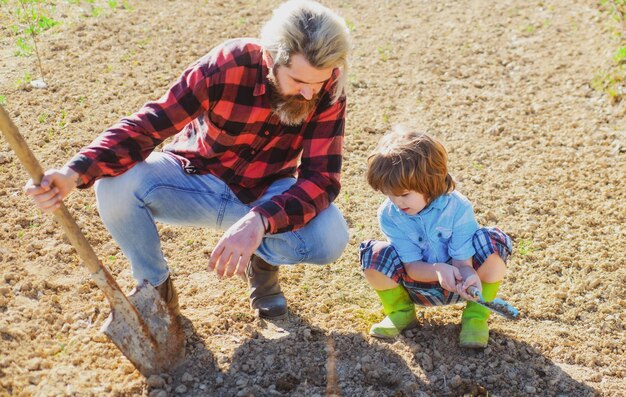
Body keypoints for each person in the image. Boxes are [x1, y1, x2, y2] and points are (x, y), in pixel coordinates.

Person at [24, 0, 351, 320]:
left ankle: (261, 261)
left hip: (265, 193)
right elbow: (150, 123)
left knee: (330, 237)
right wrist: (74, 172)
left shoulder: (327, 85)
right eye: (298, 82)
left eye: (317, 84)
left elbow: (321, 178)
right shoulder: (229, 64)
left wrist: (260, 222)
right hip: (194, 178)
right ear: (270, 57)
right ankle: (156, 290)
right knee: (115, 186)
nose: (310, 94)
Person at [359, 128, 512, 348]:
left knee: (492, 242)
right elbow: (411, 266)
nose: (396, 202)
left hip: (461, 288)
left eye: (403, 194)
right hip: (418, 286)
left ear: (428, 184)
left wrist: (468, 277)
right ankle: (401, 312)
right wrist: (438, 270)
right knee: (374, 255)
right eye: (389, 194)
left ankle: (476, 317)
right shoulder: (390, 215)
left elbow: (463, 262)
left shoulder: (457, 207)